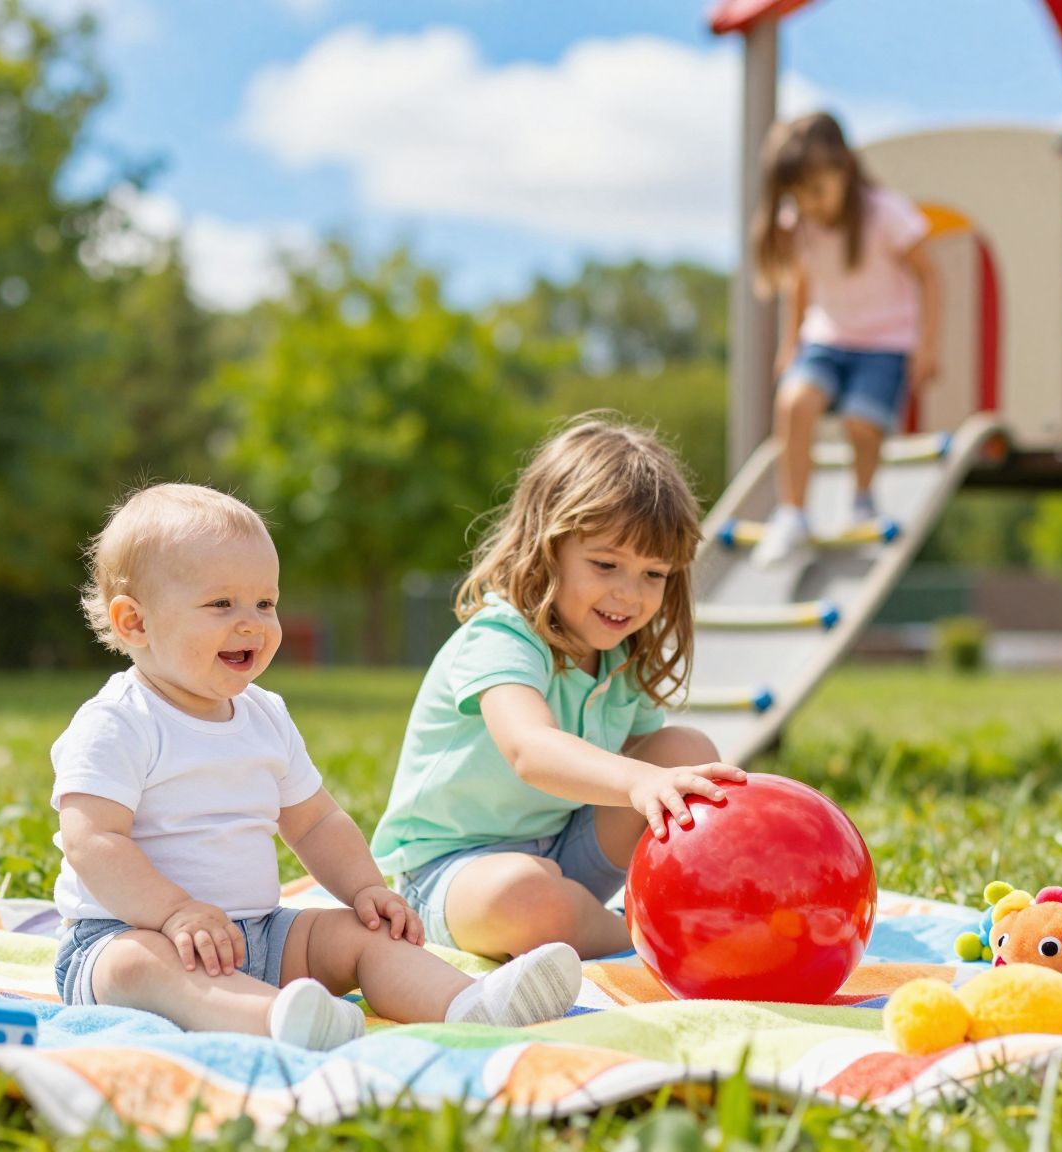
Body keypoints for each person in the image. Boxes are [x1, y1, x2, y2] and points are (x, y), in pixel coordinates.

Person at [50, 483, 580, 1049]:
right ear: (135, 623)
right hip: (133, 932)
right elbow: (93, 840)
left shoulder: (265, 716)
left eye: (266, 603)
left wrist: (364, 889)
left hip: (260, 935)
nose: (252, 623)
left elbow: (315, 822)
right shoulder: (119, 721)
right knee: (139, 966)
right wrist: (175, 912)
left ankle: (469, 1004)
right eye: (221, 604)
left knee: (362, 935)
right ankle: (280, 1021)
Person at [370, 417, 746, 960]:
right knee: (523, 897)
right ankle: (650, 940)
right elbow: (530, 749)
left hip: (566, 852)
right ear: (548, 548)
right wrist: (640, 780)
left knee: (686, 754)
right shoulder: (502, 635)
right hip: (456, 874)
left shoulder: (622, 656)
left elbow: (641, 768)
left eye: (653, 575)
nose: (629, 594)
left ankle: (641, 910)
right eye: (605, 564)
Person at [749, 111, 941, 567]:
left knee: (862, 423)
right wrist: (791, 341)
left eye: (818, 192)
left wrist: (927, 345)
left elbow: (930, 278)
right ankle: (792, 513)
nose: (810, 205)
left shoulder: (884, 212)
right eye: (799, 195)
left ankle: (863, 497)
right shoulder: (801, 221)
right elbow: (801, 282)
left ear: (845, 170)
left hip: (884, 343)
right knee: (795, 405)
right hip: (827, 339)